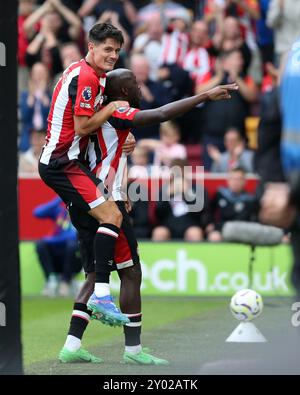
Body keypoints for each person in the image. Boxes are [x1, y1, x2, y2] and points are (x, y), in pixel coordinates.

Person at [58, 68, 239, 364]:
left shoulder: (93, 116)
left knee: (94, 273)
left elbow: (106, 153)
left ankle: (72, 344)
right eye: (137, 83)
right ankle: (133, 351)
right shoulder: (118, 111)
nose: (141, 87)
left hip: (84, 200)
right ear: (126, 92)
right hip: (106, 202)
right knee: (131, 272)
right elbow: (161, 114)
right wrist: (205, 94)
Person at [38, 22, 132, 327]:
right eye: (107, 49)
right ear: (90, 46)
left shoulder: (82, 71)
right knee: (112, 216)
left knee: (100, 231)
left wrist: (120, 132)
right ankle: (102, 296)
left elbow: (83, 122)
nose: (113, 55)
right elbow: (82, 127)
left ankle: (75, 338)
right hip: (62, 163)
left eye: (116, 50)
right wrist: (115, 108)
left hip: (67, 162)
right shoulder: (88, 77)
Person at [34, 197, 81, 297]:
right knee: (41, 244)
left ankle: (65, 282)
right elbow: (37, 213)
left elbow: (72, 237)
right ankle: (51, 280)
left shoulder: (80, 213)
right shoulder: (60, 212)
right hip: (57, 259)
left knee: (71, 245)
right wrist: (59, 199)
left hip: (75, 262)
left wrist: (49, 239)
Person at [208, 167, 257, 241]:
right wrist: (210, 223)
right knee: (214, 237)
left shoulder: (250, 200)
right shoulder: (220, 194)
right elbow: (210, 211)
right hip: (222, 228)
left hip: (241, 230)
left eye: (238, 179)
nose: (235, 182)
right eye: (232, 179)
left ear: (244, 181)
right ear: (228, 180)